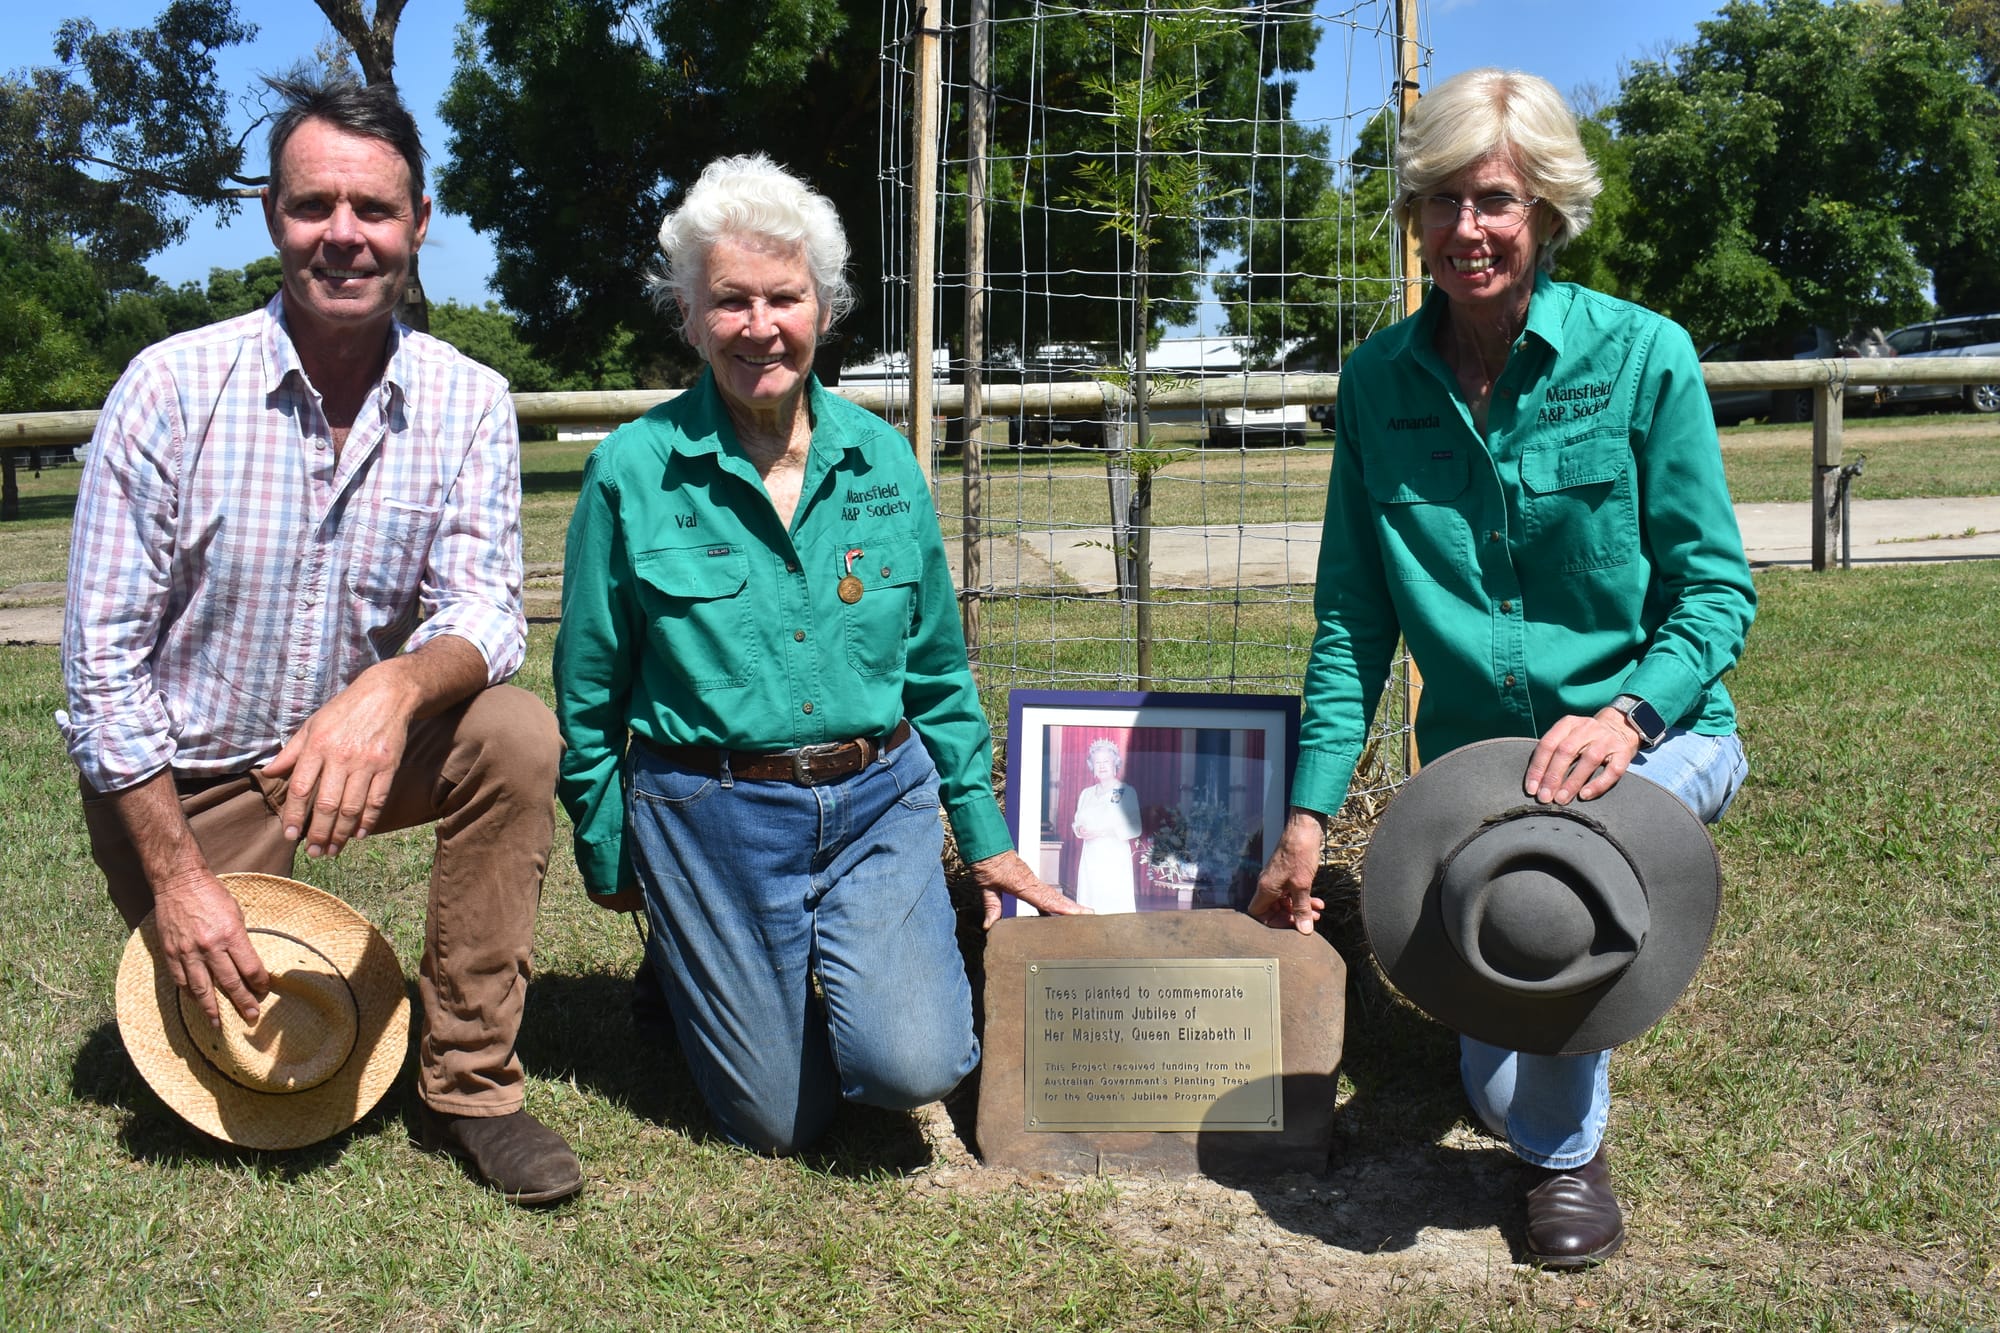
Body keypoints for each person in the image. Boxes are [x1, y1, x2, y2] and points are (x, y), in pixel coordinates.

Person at [1249, 68, 1756, 1268]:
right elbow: (1350, 623)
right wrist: (1307, 815)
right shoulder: (1376, 383)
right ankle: (1543, 1013)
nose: (1464, 230)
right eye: (1441, 200)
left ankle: (1562, 1160)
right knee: (1494, 1056)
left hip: (1660, 734)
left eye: (1494, 201)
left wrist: (1626, 715)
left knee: (1560, 858)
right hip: (1483, 772)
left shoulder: (1642, 357)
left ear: (1546, 211)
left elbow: (1715, 592)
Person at [60, 77, 581, 1206]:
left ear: (419, 223)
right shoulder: (168, 390)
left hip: (355, 754)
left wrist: (391, 688)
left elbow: (486, 609)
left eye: (374, 209)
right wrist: (178, 880)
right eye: (313, 206)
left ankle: (470, 1085)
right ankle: (223, 911)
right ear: (270, 215)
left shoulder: (469, 400)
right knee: (255, 1054)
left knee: (512, 733)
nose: (344, 234)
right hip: (191, 783)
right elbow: (102, 676)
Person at [553, 154, 1081, 1156]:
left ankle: (802, 964)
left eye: (784, 298)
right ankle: (693, 961)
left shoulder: (883, 460)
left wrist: (982, 834)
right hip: (709, 809)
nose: (759, 326)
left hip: (876, 800)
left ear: (824, 310)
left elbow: (936, 669)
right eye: (730, 300)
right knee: (776, 1120)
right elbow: (588, 687)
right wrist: (608, 842)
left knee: (915, 1066)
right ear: (688, 315)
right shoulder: (630, 470)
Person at [1070, 739, 1141, 913]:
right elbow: (1077, 821)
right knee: (1090, 902)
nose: (1102, 766)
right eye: (1097, 762)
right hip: (1090, 857)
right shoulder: (1086, 793)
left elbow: (1135, 827)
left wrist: (1103, 832)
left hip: (1113, 858)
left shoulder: (1125, 791)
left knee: (1111, 906)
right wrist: (1079, 829)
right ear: (1092, 766)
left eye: (1106, 761)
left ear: (1115, 764)